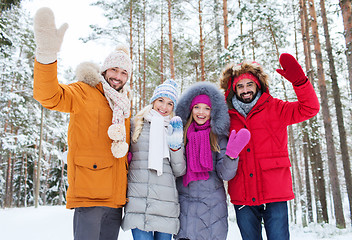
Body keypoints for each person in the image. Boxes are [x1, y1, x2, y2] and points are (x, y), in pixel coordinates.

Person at [33, 7, 132, 240]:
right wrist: (47, 56)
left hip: (116, 199)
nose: (117, 76)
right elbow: (49, 96)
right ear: (105, 69)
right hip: (90, 194)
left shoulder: (123, 103)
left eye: (124, 73)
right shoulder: (83, 91)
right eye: (114, 70)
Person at [219, 53, 320, 240]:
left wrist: (300, 82)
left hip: (275, 192)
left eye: (249, 84)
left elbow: (310, 108)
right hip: (243, 195)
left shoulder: (275, 108)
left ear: (258, 84)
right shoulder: (226, 117)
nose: (245, 90)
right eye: (240, 86)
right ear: (234, 90)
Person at [174, 82, 251, 240]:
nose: (201, 112)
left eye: (207, 108)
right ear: (190, 109)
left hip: (212, 208)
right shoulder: (180, 135)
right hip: (184, 206)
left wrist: (231, 155)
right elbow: (175, 168)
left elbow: (225, 174)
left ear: (213, 111)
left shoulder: (218, 137)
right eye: (197, 107)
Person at [121, 79, 186, 240]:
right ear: (153, 100)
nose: (164, 107)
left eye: (170, 104)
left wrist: (175, 146)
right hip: (139, 201)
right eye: (161, 101)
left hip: (165, 203)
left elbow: (179, 170)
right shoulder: (135, 124)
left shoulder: (174, 128)